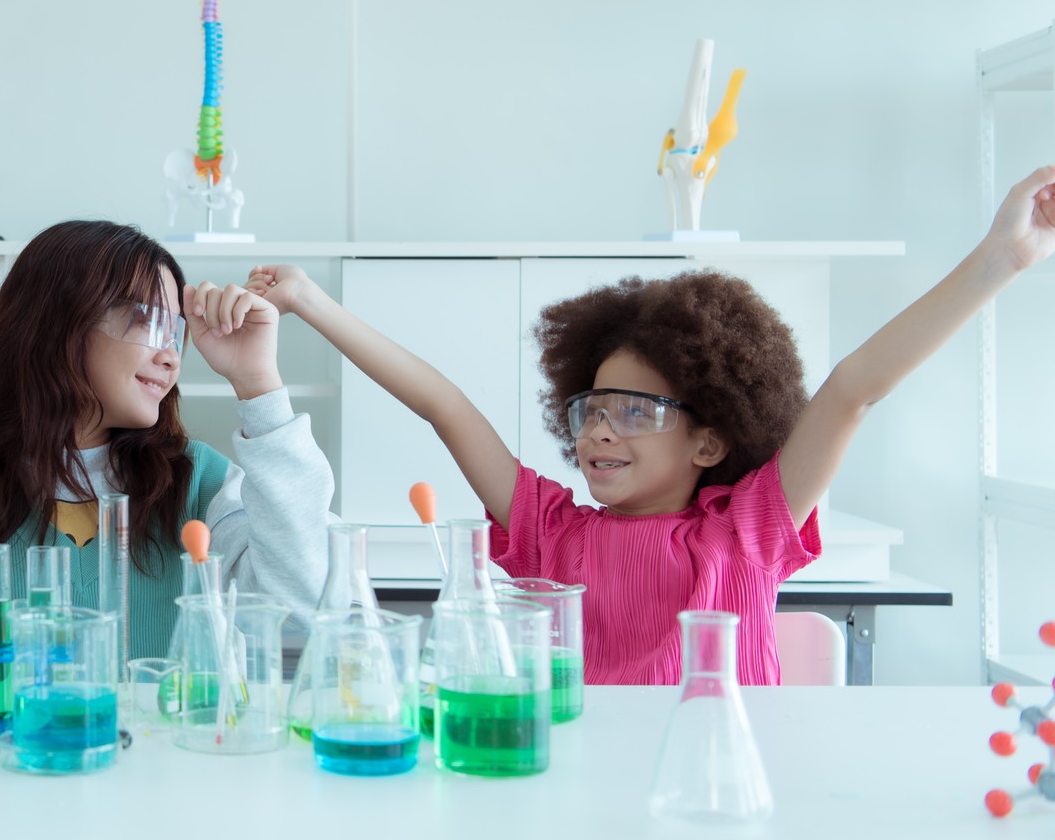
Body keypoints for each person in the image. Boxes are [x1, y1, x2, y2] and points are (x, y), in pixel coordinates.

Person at [249, 166, 1055, 684]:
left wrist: (1002, 259)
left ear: (709, 439)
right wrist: (312, 303)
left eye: (635, 412)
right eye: (591, 410)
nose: (600, 430)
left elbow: (851, 391)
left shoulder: (749, 533)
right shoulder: (551, 535)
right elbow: (444, 405)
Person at [0, 219, 333, 656]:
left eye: (176, 331)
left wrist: (258, 385)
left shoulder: (203, 482)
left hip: (163, 777)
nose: (170, 354)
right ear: (59, 325)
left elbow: (300, 599)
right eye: (147, 322)